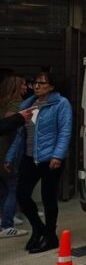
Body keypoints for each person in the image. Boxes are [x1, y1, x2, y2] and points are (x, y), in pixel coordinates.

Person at [4, 71, 72, 253]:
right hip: (29, 157)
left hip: (50, 158)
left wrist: (58, 156)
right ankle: (38, 228)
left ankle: (50, 235)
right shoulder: (29, 104)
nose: (37, 86)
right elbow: (20, 135)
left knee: (48, 198)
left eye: (42, 83)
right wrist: (10, 156)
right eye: (35, 82)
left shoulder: (61, 103)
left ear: (52, 86)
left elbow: (65, 131)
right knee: (22, 194)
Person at [0, 76, 30, 238]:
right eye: (24, 84)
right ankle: (7, 224)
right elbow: (16, 133)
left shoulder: (1, 103)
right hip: (7, 152)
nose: (27, 87)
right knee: (12, 187)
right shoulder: (16, 106)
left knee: (3, 188)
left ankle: (4, 217)